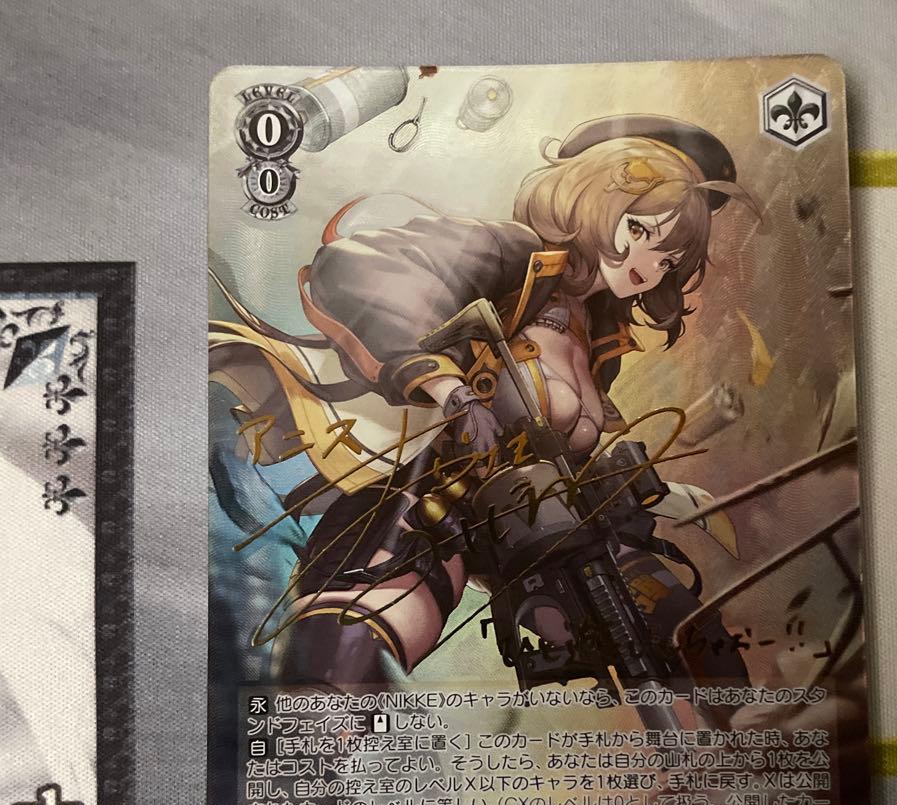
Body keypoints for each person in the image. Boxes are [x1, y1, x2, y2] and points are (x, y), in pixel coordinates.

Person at [209, 114, 756, 707]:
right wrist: (448, 388)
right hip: (429, 500)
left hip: (533, 525)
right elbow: (362, 267)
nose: (647, 263)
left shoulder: (601, 339)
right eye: (641, 230)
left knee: (663, 606)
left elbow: (563, 446)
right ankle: (308, 732)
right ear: (591, 200)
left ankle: (748, 721)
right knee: (362, 629)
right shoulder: (515, 255)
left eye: (669, 258)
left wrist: (632, 487)